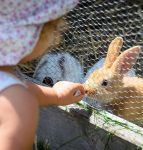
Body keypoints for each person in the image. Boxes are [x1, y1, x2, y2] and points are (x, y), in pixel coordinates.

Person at [0, 0, 85, 150]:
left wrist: (56, 95)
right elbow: (19, 95)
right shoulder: (19, 107)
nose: (58, 35)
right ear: (28, 34)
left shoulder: (13, 91)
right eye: (55, 27)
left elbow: (21, 90)